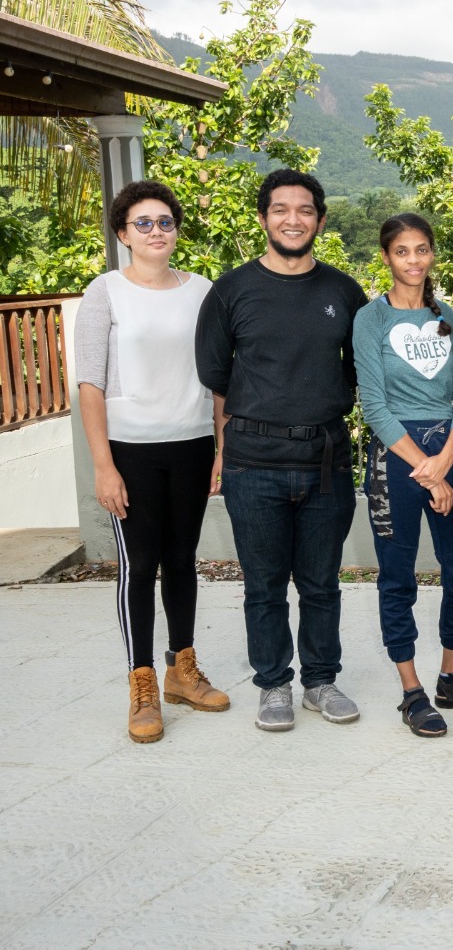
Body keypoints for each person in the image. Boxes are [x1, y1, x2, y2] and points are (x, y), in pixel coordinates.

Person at [195, 169, 367, 732]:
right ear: (264, 217)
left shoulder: (343, 292)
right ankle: (273, 685)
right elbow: (216, 373)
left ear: (319, 218)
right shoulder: (231, 290)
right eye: (280, 209)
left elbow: (358, 370)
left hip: (325, 462)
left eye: (304, 210)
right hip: (253, 463)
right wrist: (225, 449)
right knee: (264, 584)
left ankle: (320, 680)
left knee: (321, 582)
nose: (293, 219)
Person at [77, 180, 230, 743]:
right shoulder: (105, 292)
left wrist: (220, 447)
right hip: (130, 452)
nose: (156, 232)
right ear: (123, 233)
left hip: (190, 444)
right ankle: (141, 682)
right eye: (143, 223)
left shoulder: (202, 291)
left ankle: (181, 669)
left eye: (164, 222)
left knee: (183, 559)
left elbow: (218, 381)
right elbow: (90, 384)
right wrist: (103, 465)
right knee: (140, 566)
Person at [353, 213, 453, 737]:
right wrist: (426, 471)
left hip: (448, 453)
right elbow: (374, 406)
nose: (413, 261)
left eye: (422, 250)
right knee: (398, 578)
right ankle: (410, 691)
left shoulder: (445, 313)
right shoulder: (370, 320)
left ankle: (451, 675)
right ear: (386, 257)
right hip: (395, 459)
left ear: (431, 255)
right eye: (402, 251)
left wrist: (446, 460)